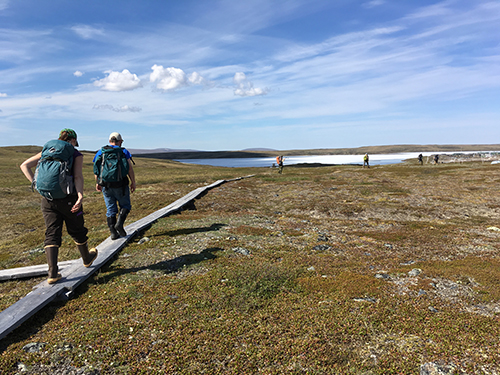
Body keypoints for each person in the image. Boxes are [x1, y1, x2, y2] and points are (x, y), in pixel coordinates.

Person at [20, 129, 97, 284]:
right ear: (73, 140)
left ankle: (53, 273)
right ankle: (87, 258)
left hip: (47, 198)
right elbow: (77, 176)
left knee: (52, 232)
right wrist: (80, 195)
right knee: (77, 229)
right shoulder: (75, 154)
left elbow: (24, 165)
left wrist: (36, 184)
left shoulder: (47, 151)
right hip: (69, 198)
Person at [93, 132, 136, 240]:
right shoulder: (123, 151)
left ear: (109, 141)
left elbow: (97, 169)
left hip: (106, 186)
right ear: (120, 141)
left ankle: (113, 232)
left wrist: (98, 182)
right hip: (121, 185)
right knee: (125, 206)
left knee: (110, 209)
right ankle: (119, 225)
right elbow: (129, 168)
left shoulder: (101, 152)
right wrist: (133, 182)